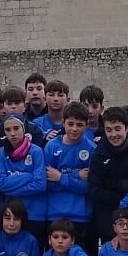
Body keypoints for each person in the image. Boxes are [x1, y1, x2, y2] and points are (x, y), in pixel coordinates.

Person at [88, 107, 128, 255]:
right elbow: (94, 190)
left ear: (127, 127)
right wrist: (122, 196)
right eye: (109, 130)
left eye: (117, 129)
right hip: (109, 216)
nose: (113, 134)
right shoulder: (99, 153)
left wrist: (120, 185)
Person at [40, 103, 92, 242]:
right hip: (54, 214)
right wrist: (76, 176)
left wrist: (60, 177)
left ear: (87, 125)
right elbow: (47, 184)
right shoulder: (51, 147)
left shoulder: (91, 148)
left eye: (80, 125)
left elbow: (88, 188)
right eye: (70, 124)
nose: (74, 129)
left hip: (81, 215)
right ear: (63, 123)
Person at [0, 114, 45, 237]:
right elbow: (0, 184)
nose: (12, 133)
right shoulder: (1, 152)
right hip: (12, 215)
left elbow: (40, 185)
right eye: (8, 130)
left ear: (24, 129)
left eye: (16, 128)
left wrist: (11, 191)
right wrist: (28, 177)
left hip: (35, 214)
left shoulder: (36, 151)